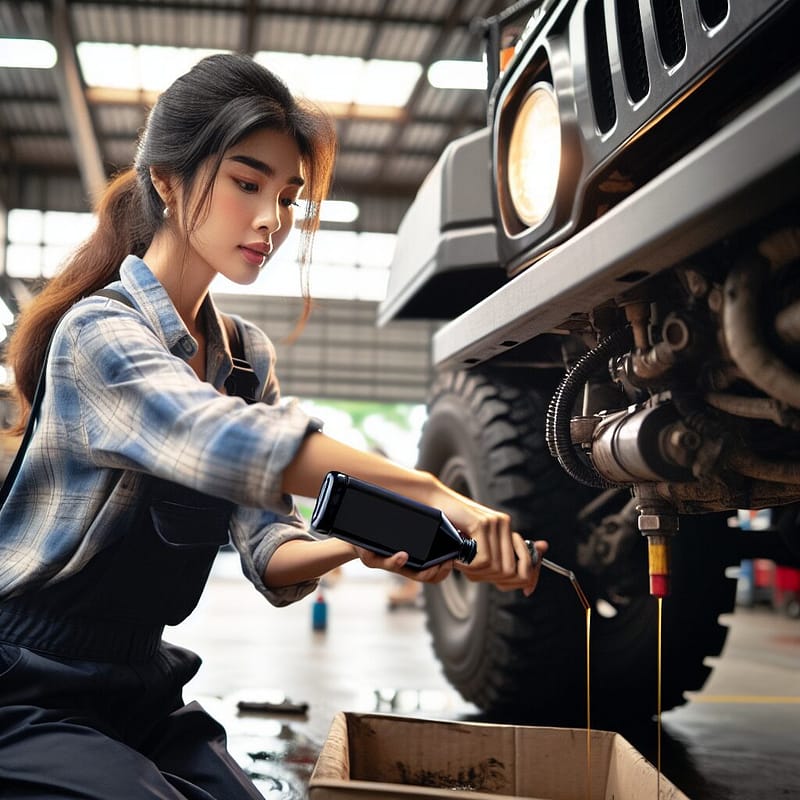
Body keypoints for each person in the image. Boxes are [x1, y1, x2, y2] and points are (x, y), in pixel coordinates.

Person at [0, 53, 547, 799]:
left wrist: (369, 541)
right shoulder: (99, 332)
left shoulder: (245, 359)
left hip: (139, 684)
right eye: (247, 183)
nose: (272, 220)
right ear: (167, 181)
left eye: (288, 197)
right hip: (25, 683)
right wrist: (432, 491)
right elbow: (218, 437)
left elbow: (267, 545)